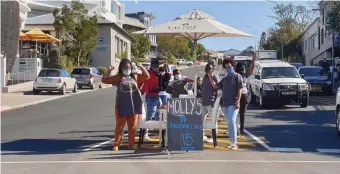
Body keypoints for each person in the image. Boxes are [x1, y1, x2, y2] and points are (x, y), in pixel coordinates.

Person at [101, 59, 150, 151]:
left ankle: (131, 144)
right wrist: (108, 71)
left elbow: (147, 76)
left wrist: (141, 67)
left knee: (133, 126)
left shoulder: (135, 76)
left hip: (134, 105)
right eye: (124, 68)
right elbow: (104, 80)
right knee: (119, 126)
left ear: (131, 68)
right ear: (121, 68)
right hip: (121, 105)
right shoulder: (118, 77)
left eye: (128, 68)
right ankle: (116, 144)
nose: (127, 70)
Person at [208, 58, 243, 150]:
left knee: (231, 121)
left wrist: (238, 101)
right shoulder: (225, 79)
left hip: (233, 102)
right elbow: (215, 86)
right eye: (226, 67)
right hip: (225, 104)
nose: (228, 68)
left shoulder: (237, 76)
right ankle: (232, 142)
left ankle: (234, 143)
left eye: (230, 66)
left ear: (233, 66)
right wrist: (210, 76)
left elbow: (240, 90)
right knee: (229, 123)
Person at [139, 57, 164, 140]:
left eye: (158, 66)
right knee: (150, 114)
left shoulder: (159, 74)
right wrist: (140, 92)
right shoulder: (148, 74)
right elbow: (141, 83)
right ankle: (145, 132)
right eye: (156, 66)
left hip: (157, 96)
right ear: (153, 66)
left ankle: (156, 128)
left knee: (158, 113)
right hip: (150, 96)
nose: (158, 68)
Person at [235, 53, 255, 134]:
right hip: (242, 94)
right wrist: (253, 60)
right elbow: (252, 67)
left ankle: (239, 128)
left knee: (237, 113)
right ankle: (240, 128)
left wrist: (253, 60)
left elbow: (252, 67)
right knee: (241, 113)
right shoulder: (244, 74)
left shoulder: (237, 75)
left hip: (240, 95)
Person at [201, 64, 219, 143]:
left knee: (213, 121)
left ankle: (213, 136)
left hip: (211, 102)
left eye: (209, 70)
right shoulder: (204, 78)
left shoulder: (215, 77)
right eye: (207, 70)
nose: (208, 71)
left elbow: (217, 88)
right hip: (204, 102)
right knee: (201, 120)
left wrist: (216, 102)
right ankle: (202, 135)